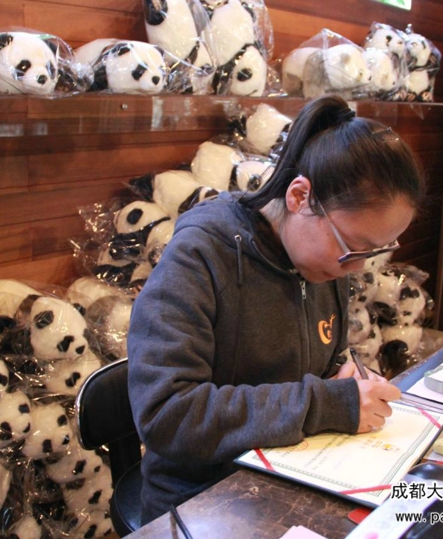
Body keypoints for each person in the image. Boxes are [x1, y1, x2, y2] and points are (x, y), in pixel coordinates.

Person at [127, 95, 427, 524]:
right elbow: (168, 416)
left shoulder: (322, 263)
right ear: (300, 196)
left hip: (291, 474)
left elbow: (317, 369)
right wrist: (324, 403)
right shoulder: (200, 257)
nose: (357, 268)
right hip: (203, 501)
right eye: (353, 248)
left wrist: (341, 379)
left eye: (373, 252)